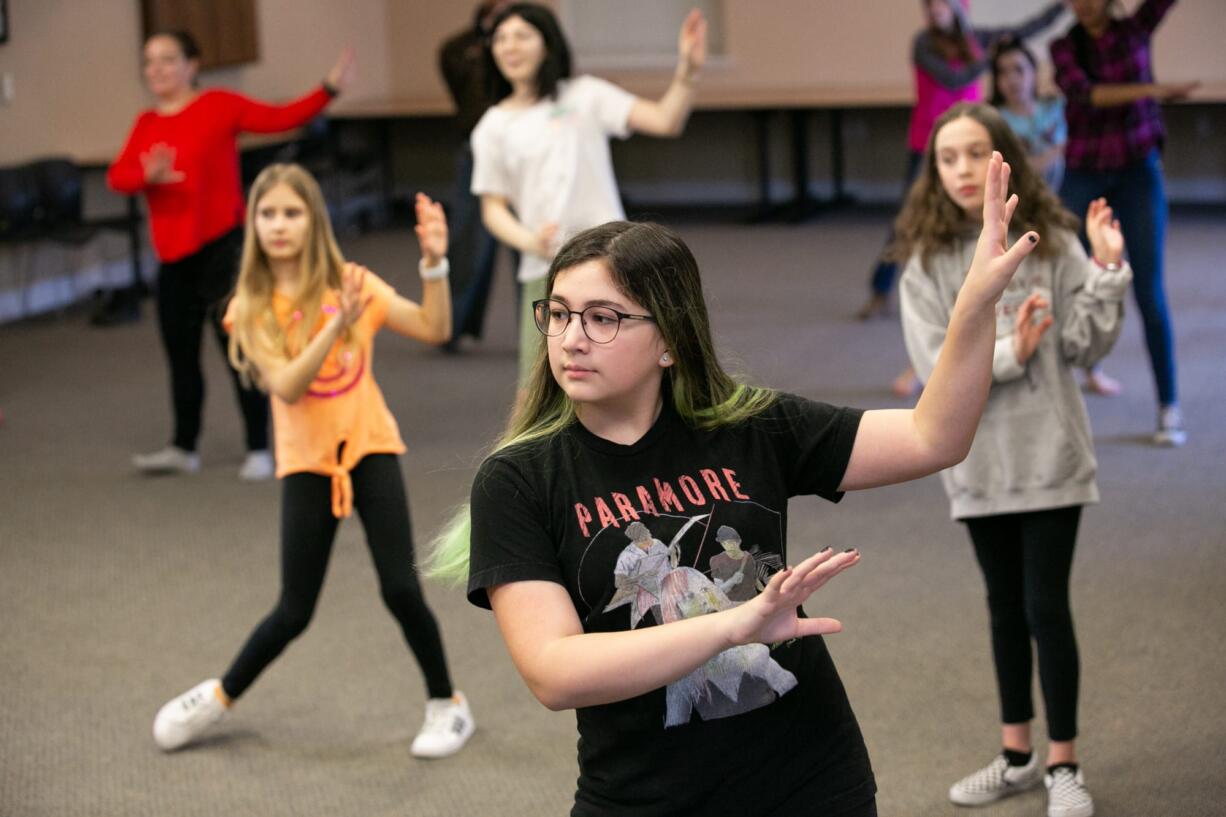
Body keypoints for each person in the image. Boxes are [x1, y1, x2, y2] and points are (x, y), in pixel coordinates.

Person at [429, 147, 1045, 815]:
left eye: (603, 317)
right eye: (560, 312)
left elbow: (936, 436)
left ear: (669, 341)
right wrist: (732, 625)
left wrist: (976, 305)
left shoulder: (750, 425)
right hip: (643, 796)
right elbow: (553, 670)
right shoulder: (519, 478)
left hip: (811, 778)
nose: (571, 338)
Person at [150, 164, 474, 760]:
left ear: (313, 221)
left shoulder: (352, 282)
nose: (279, 225)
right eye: (267, 213)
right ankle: (218, 697)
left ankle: (447, 704)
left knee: (402, 589)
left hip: (370, 448)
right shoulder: (249, 307)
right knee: (293, 610)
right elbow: (289, 386)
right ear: (253, 224)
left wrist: (434, 263)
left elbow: (435, 326)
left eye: (292, 212)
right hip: (307, 464)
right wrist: (335, 326)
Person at [896, 102, 1131, 817]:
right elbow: (934, 367)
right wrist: (1010, 351)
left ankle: (1064, 761)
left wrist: (1109, 270)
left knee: (1044, 607)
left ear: (1007, 160)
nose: (963, 170)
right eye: (947, 158)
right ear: (932, 172)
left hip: (1049, 455)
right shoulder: (930, 262)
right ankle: (1017, 754)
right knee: (1003, 610)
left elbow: (1088, 345)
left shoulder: (1048, 240)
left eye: (976, 154)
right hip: (974, 462)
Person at [108, 31, 353, 479]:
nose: (156, 70)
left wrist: (328, 89)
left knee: (240, 351)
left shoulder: (218, 105)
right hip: (172, 260)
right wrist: (146, 174)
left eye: (167, 60)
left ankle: (259, 447)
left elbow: (281, 118)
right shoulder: (146, 123)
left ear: (192, 65)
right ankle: (184, 447)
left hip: (221, 250)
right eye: (149, 63)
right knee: (180, 355)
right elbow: (118, 178)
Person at [470, 2, 707, 388]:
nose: (510, 47)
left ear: (547, 44)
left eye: (522, 36)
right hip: (546, 269)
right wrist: (530, 240)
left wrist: (689, 70)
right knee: (544, 391)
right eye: (500, 39)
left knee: (634, 376)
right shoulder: (493, 126)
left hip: (615, 264)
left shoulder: (585, 94)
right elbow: (492, 209)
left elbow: (666, 120)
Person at [858, 0, 1065, 324]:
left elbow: (1025, 30)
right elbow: (954, 79)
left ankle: (972, 292)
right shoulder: (923, 43)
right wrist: (990, 56)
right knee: (907, 217)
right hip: (928, 142)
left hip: (969, 142)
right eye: (928, 6)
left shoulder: (976, 39)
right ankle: (880, 290)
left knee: (976, 217)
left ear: (958, 6)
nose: (933, 11)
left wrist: (1060, 7)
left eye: (940, 4)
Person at [1051, 0, 1197, 446]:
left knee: (1149, 290)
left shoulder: (1135, 31)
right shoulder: (1064, 48)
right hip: (1084, 173)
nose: (1085, 4)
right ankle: (1060, 395)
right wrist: (1149, 89)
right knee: (1060, 280)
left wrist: (1146, 91)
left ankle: (1168, 407)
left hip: (1138, 171)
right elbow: (1087, 94)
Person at [990, 35, 1121, 397]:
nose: (1012, 79)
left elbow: (1078, 146)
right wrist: (1055, 153)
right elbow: (1019, 168)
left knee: (1077, 286)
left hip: (1066, 213)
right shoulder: (996, 120)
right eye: (1003, 72)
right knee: (1009, 292)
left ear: (1034, 72)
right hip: (1021, 220)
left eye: (1019, 69)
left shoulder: (1057, 108)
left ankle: (1092, 367)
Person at [437, 0, 514, 351]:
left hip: (524, 150)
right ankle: (449, 325)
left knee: (532, 243)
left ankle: (546, 328)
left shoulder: (531, 42)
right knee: (468, 238)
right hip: (477, 148)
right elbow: (464, 91)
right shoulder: (459, 48)